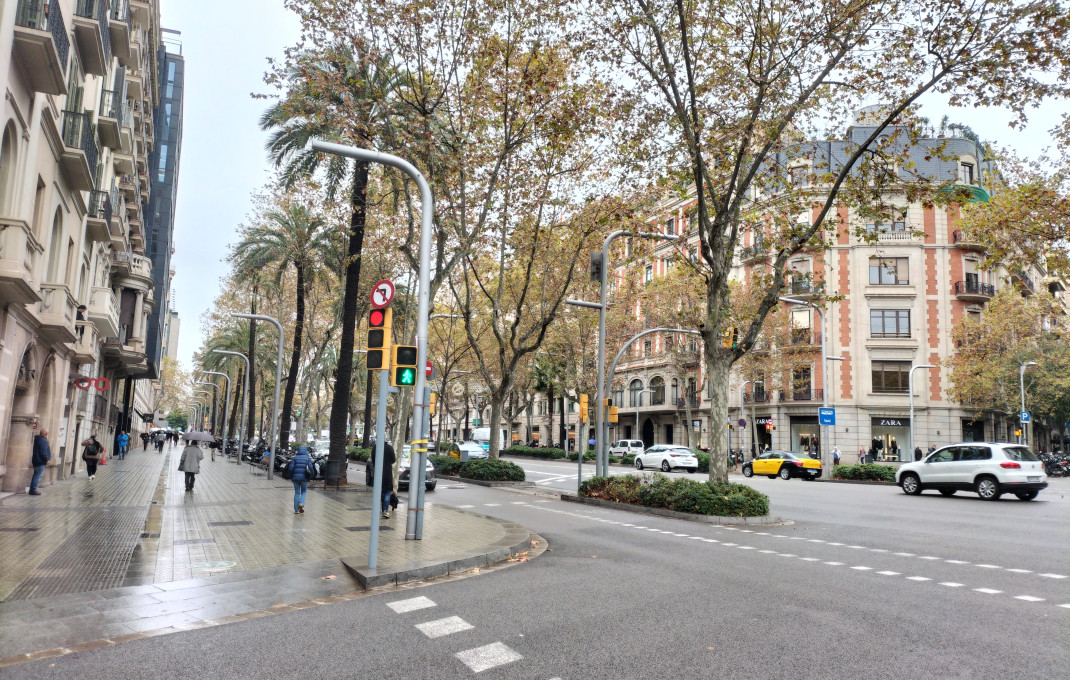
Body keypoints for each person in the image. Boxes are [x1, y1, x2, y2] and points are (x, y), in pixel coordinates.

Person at [289, 445, 315, 514]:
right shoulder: (307, 458)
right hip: (304, 478)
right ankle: (301, 503)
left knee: (297, 493)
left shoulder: (295, 458)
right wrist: (312, 476)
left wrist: (291, 476)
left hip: (295, 478)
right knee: (304, 492)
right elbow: (311, 468)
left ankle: (296, 510)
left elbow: (291, 468)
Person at [29, 428, 51, 495]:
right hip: (40, 461)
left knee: (36, 475)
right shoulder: (43, 440)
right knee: (38, 476)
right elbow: (43, 452)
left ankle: (32, 489)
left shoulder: (38, 439)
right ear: (46, 434)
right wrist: (46, 459)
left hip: (36, 460)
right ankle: (33, 489)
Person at [380, 441, 396, 519]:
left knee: (379, 492)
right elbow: (393, 460)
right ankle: (385, 511)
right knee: (386, 492)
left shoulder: (375, 448)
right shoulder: (389, 448)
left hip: (378, 474)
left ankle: (378, 509)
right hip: (387, 473)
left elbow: (373, 460)